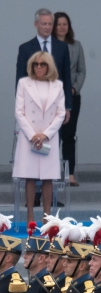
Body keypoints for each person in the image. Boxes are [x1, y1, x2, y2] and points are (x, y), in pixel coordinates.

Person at [12, 51, 66, 224]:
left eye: (43, 64)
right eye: (36, 64)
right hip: (30, 137)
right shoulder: (24, 83)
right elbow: (19, 112)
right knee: (30, 176)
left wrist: (46, 134)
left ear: (49, 66)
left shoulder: (57, 85)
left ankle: (47, 217)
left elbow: (60, 113)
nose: (39, 67)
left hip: (48, 137)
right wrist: (32, 134)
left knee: (48, 178)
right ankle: (29, 216)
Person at [16, 8, 72, 118]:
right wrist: (21, 107)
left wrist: (67, 106)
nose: (47, 27)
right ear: (35, 24)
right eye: (44, 24)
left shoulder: (62, 47)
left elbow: (66, 77)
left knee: (54, 134)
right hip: (32, 103)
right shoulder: (25, 48)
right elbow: (20, 79)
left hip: (55, 103)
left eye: (50, 24)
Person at [52, 12, 86, 186]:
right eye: (59, 24)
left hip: (72, 96)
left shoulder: (76, 45)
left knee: (69, 135)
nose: (62, 27)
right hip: (52, 98)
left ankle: (69, 173)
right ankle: (50, 172)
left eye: (65, 24)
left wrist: (74, 88)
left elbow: (81, 71)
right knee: (52, 135)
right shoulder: (49, 45)